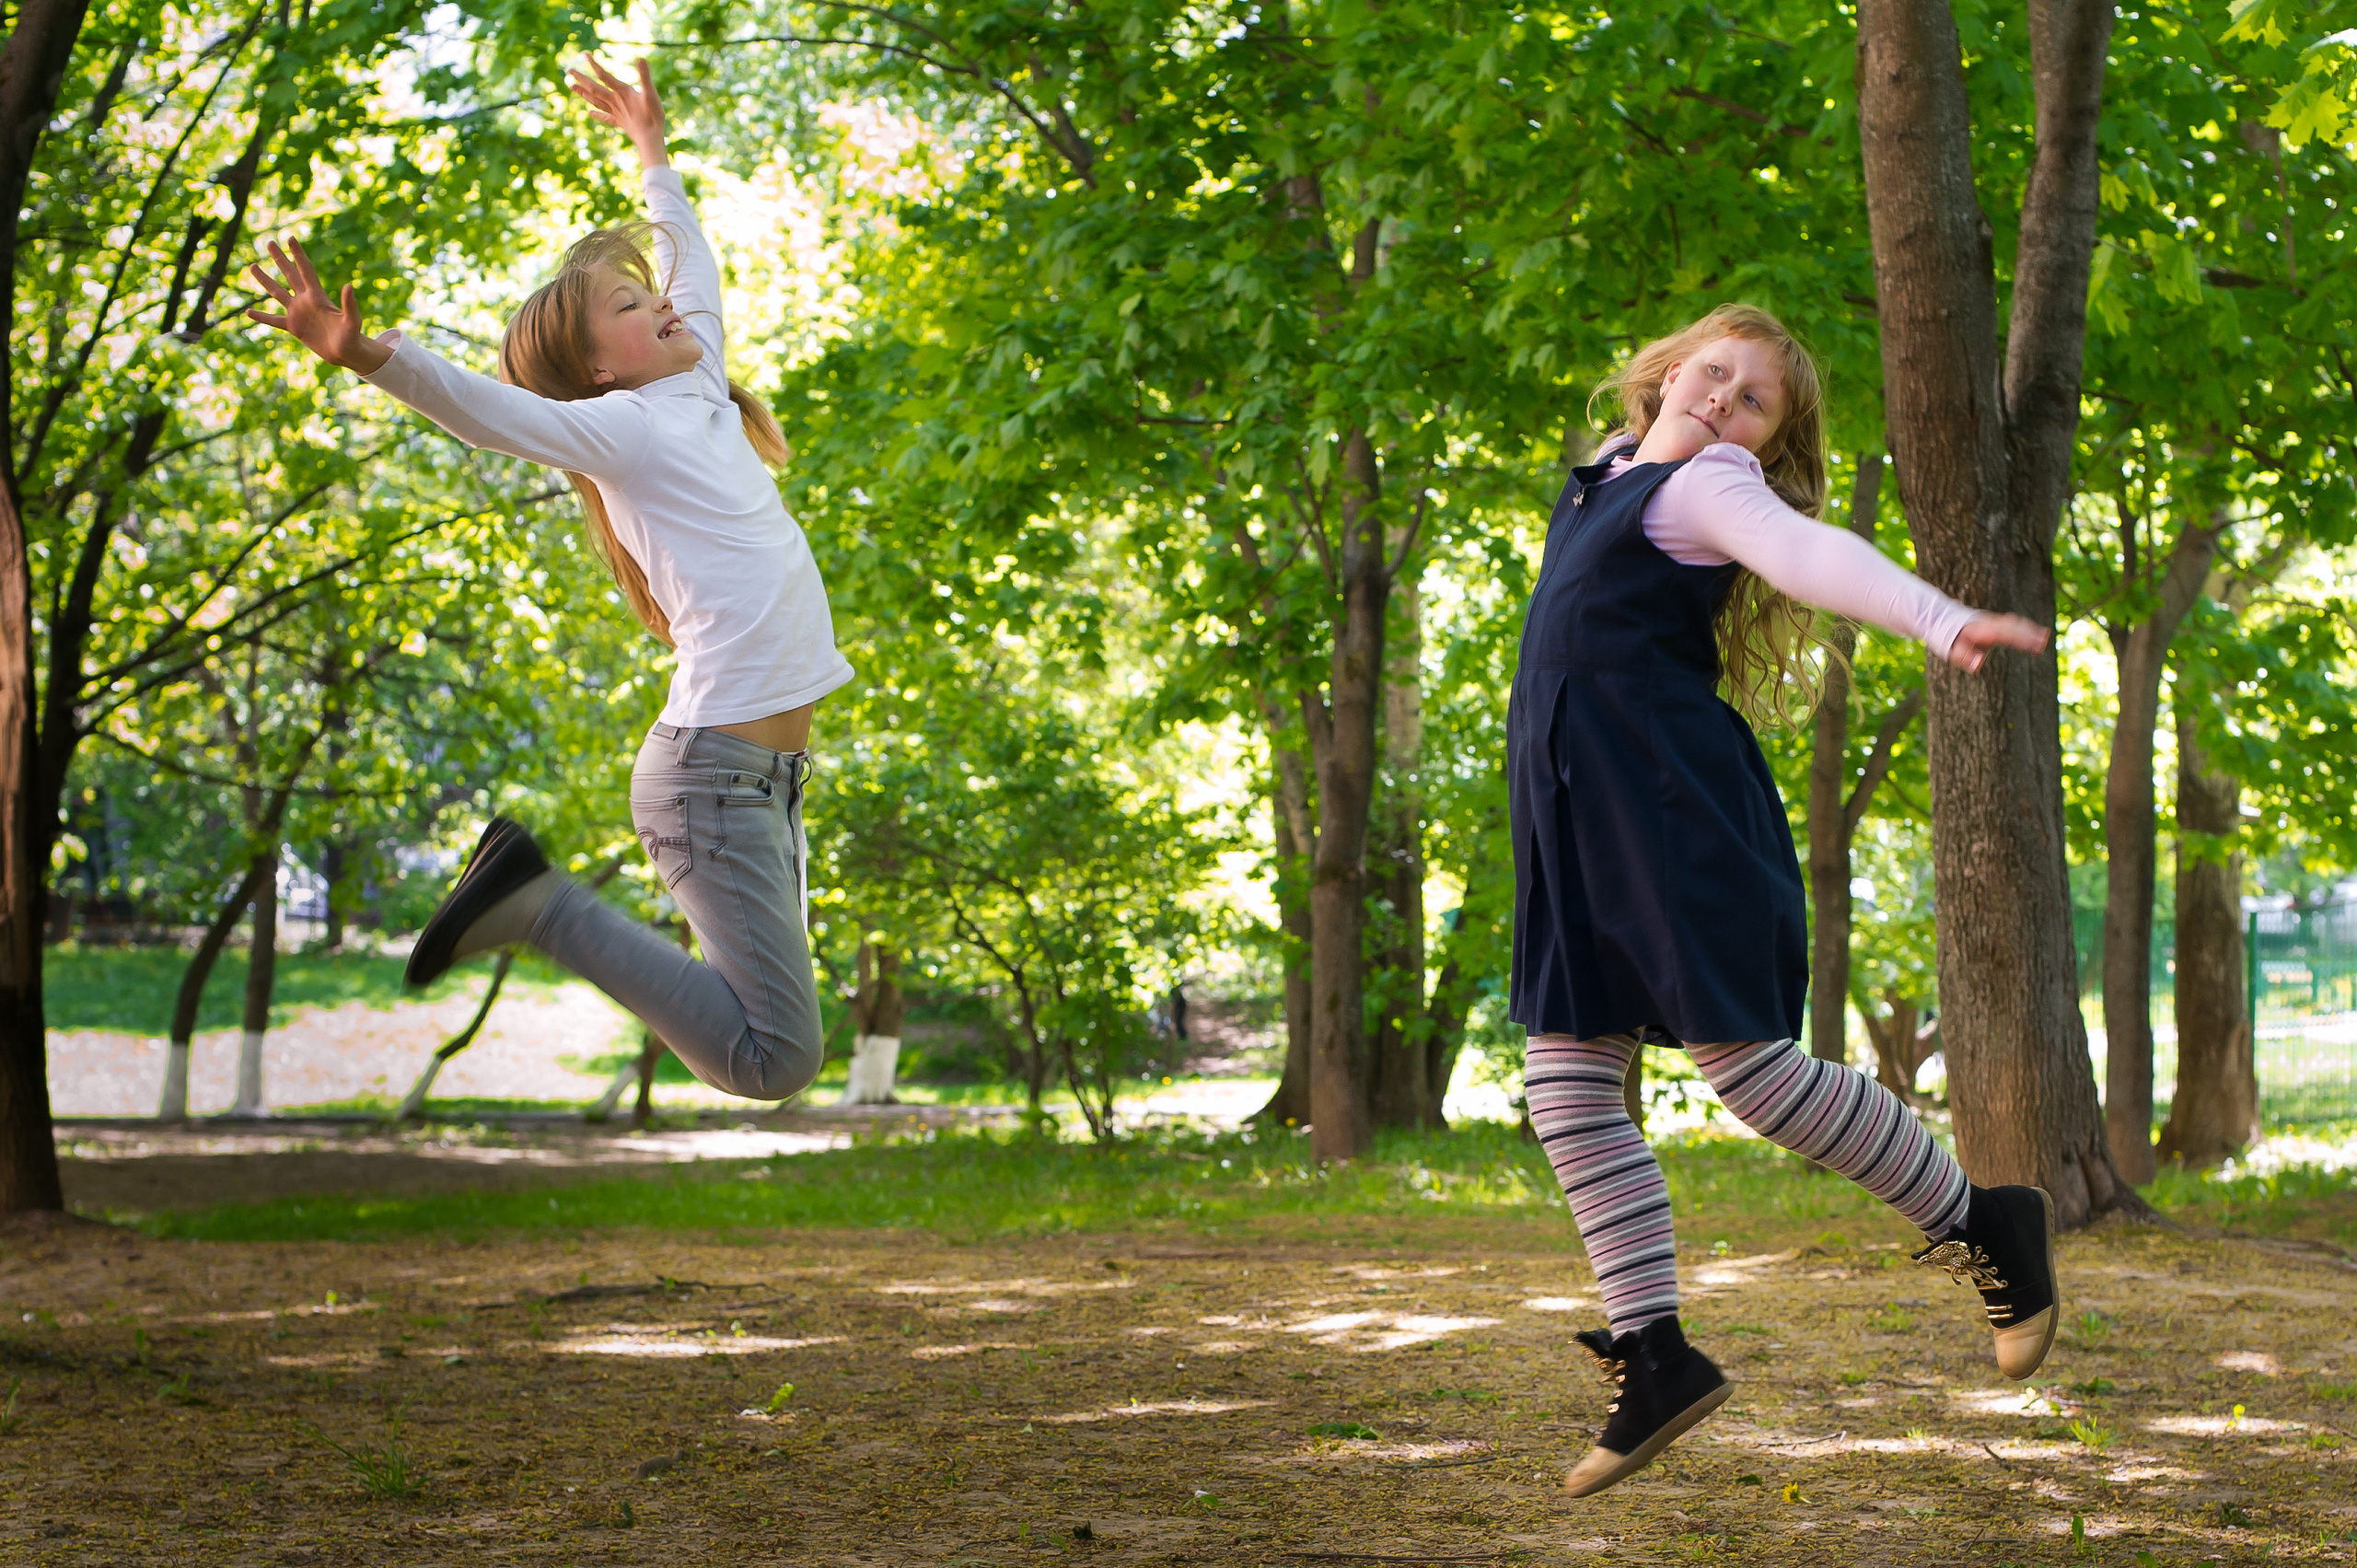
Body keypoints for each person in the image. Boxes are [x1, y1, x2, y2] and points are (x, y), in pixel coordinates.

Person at [1508, 305, 2061, 1498]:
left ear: (1758, 445)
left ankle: (1991, 1223)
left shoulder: (1707, 489)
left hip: (1669, 810)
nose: (1723, 399)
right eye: (1715, 373)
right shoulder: (1603, 473)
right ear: (1664, 372)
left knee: (1749, 1071)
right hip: (1576, 821)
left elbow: (1817, 558)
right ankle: (1657, 1355)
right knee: (1563, 1081)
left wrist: (1935, 612)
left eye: (1753, 400)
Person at [247, 58, 847, 1106]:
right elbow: (492, 410)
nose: (664, 303)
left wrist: (653, 153)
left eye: (651, 293)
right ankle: (538, 903)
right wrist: (374, 358)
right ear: (599, 368)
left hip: (756, 783)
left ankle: (534, 895)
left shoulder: (697, 384)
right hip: (713, 779)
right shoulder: (620, 432)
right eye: (632, 304)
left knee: (782, 1050)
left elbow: (691, 259)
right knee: (775, 1059)